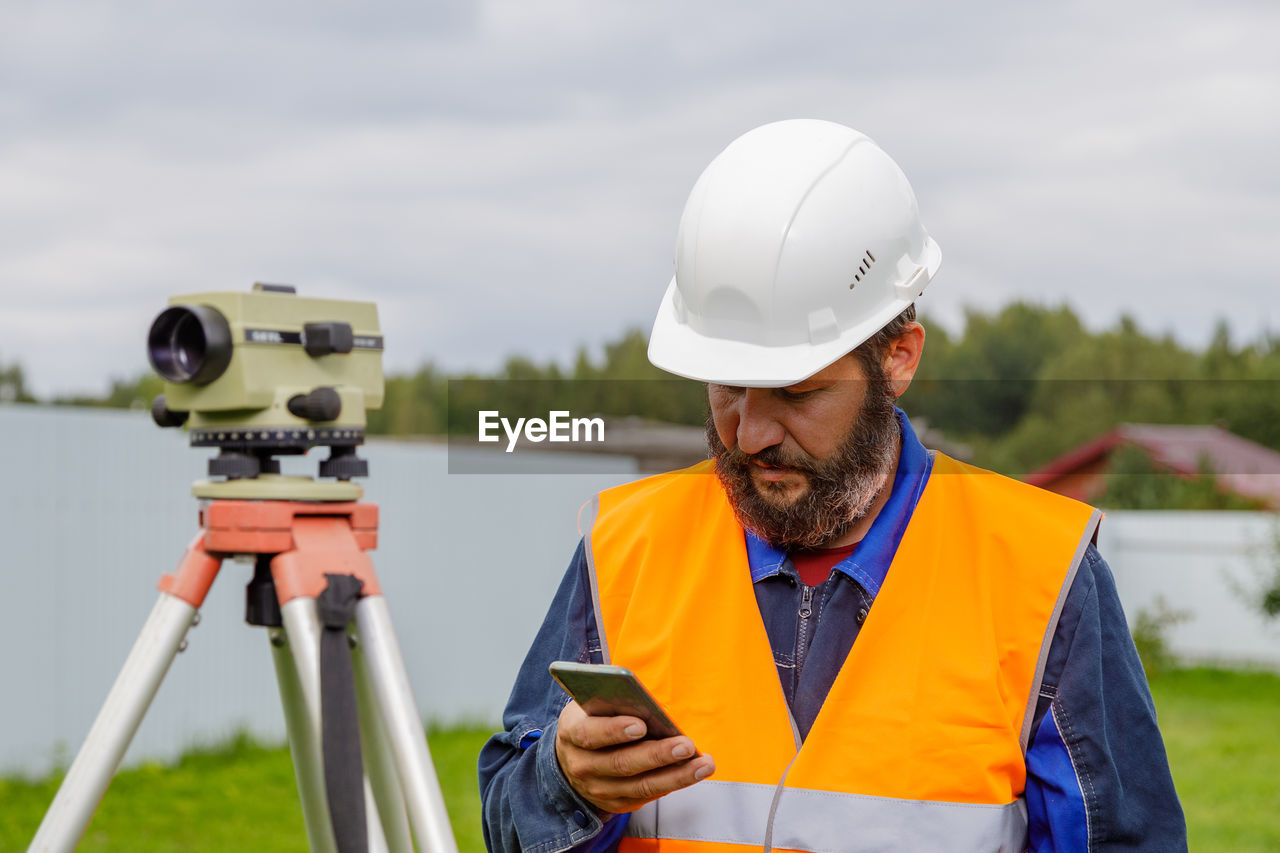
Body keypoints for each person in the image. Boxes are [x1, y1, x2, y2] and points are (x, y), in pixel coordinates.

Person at [479, 120, 1186, 852]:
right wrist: (562, 783)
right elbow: (506, 817)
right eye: (728, 386)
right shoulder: (624, 546)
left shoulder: (1040, 571)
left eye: (795, 390)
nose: (747, 434)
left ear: (898, 357)